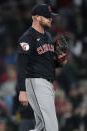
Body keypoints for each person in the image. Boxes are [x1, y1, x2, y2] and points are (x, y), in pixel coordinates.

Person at [17, 3, 68, 131]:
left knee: (42, 125)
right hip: (36, 81)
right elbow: (21, 65)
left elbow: (49, 62)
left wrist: (60, 62)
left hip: (47, 82)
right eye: (47, 16)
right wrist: (22, 91)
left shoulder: (48, 36)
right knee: (51, 126)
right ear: (37, 17)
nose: (50, 19)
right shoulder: (27, 37)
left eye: (51, 16)